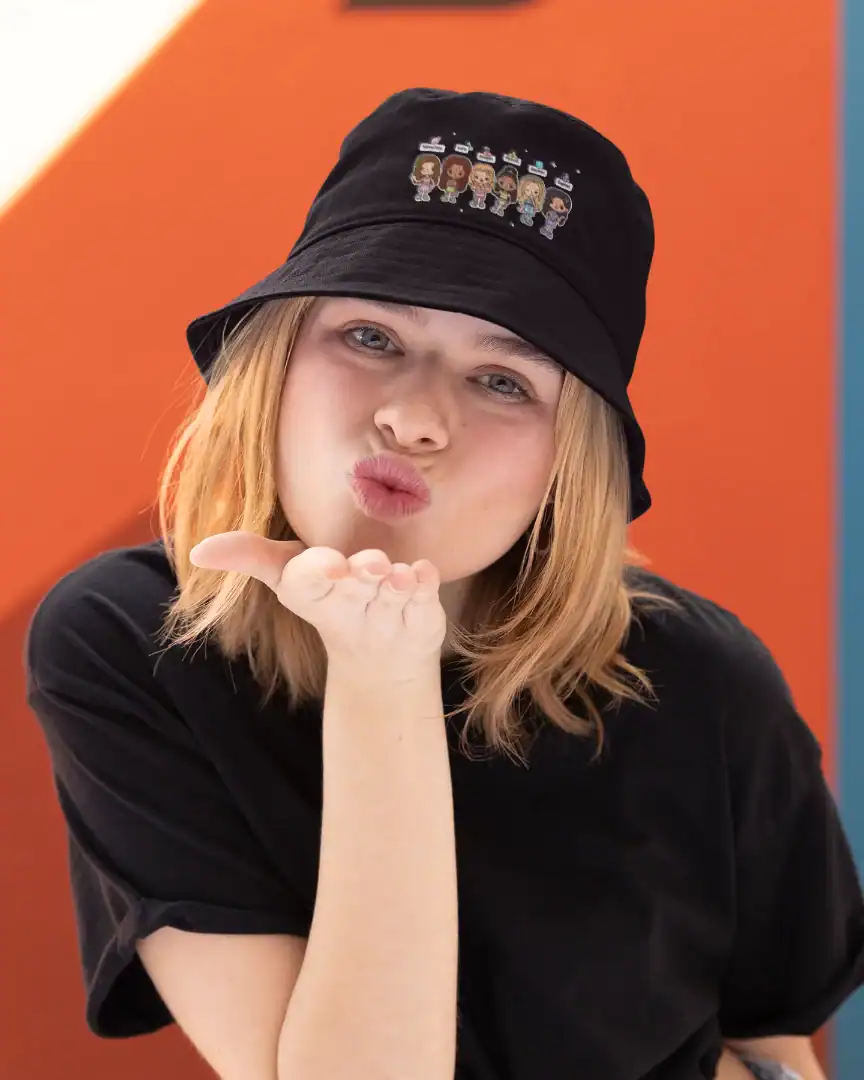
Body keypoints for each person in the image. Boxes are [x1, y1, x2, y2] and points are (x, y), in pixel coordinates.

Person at [23, 88, 864, 1080]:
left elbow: (773, 1045)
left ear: (572, 464)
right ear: (273, 364)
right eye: (371, 337)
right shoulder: (136, 642)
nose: (415, 420)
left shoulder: (701, 680)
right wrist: (382, 672)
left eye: (503, 381)